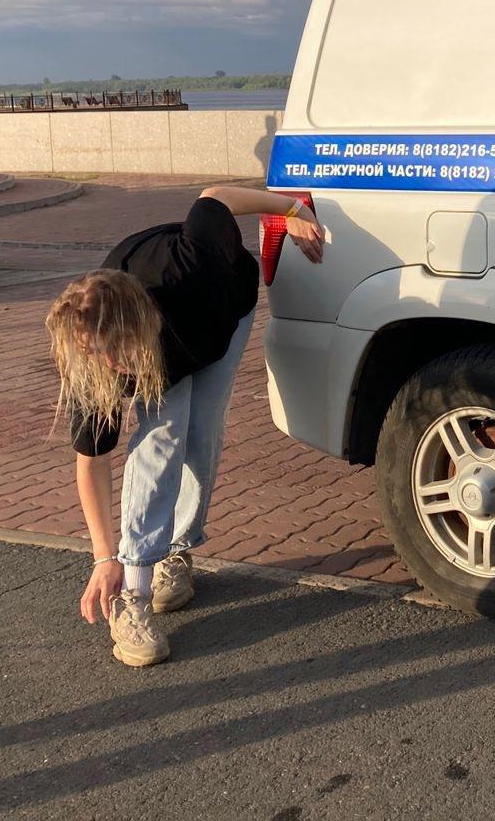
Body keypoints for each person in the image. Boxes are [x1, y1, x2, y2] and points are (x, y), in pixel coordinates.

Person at [45, 186, 324, 667]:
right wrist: (103, 557)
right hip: (163, 339)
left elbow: (214, 196)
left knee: (202, 432)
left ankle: (177, 549)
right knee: (161, 439)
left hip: (220, 316)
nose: (111, 366)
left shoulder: (191, 263)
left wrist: (292, 209)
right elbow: (91, 462)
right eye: (99, 355)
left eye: (118, 352)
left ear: (142, 325)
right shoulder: (92, 358)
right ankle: (134, 592)